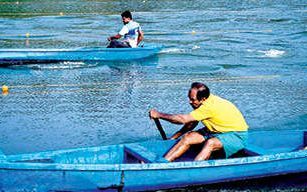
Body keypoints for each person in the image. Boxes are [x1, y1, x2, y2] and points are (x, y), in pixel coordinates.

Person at [149, 82, 248, 161]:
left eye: (192, 99)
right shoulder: (204, 100)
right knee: (188, 137)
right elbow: (192, 123)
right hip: (216, 131)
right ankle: (163, 163)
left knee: (210, 143)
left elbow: (182, 120)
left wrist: (159, 115)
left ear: (203, 99)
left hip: (236, 135)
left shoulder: (208, 107)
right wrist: (174, 138)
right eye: (189, 98)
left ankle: (194, 170)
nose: (190, 102)